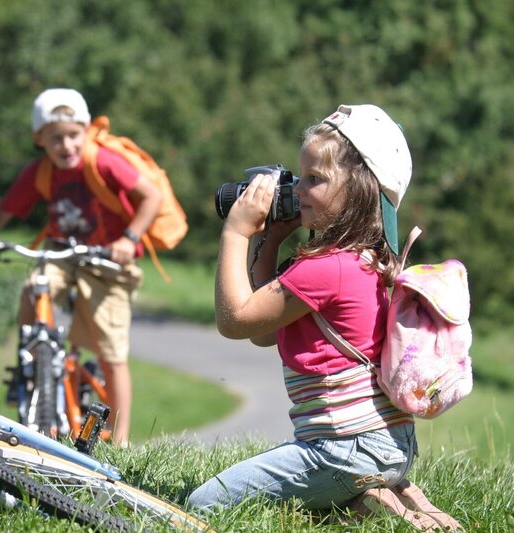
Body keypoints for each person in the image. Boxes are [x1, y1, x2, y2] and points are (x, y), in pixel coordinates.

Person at [189, 104, 460, 530]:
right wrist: (272, 241)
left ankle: (367, 492)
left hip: (345, 449)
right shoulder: (359, 259)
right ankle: (377, 497)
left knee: (206, 501)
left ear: (359, 191)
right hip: (386, 445)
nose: (298, 190)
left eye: (314, 179)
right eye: (300, 178)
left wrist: (237, 232)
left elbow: (234, 321)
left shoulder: (325, 268)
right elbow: (263, 331)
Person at [0, 88, 162, 445]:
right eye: (56, 138)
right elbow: (4, 209)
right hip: (63, 252)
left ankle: (120, 439)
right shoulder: (40, 172)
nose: (66, 145)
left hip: (107, 260)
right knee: (35, 288)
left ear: (86, 132)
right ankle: (32, 362)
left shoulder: (102, 161)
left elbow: (152, 195)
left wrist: (129, 239)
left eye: (73, 135)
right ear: (39, 140)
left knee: (111, 350)